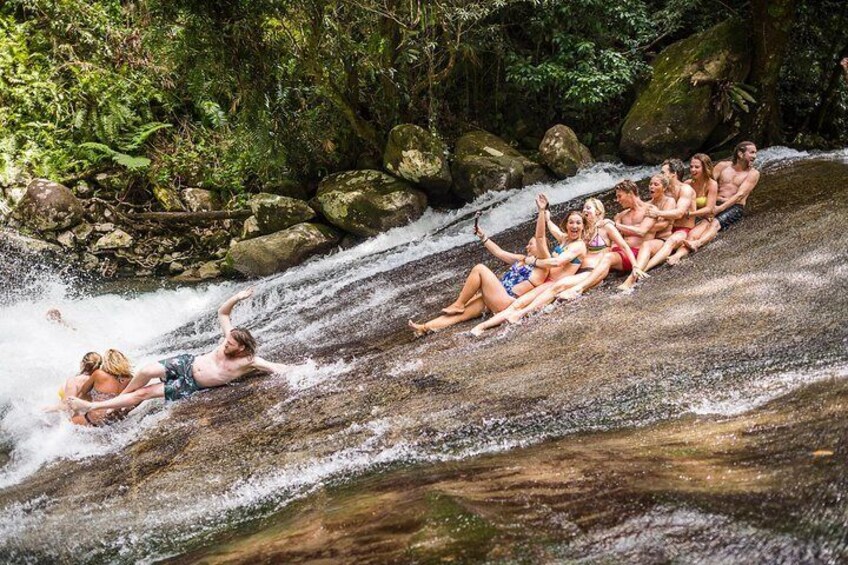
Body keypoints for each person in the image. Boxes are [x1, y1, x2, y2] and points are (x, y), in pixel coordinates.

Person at [67, 288, 291, 415]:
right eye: (226, 340)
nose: (225, 343)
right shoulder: (229, 337)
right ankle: (122, 399)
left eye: (230, 344)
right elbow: (223, 314)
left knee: (144, 394)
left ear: (241, 347)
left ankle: (95, 406)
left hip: (189, 385)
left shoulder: (249, 361)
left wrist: (303, 370)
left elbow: (276, 368)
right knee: (146, 371)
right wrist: (238, 297)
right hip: (186, 363)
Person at [408, 206, 551, 337]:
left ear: (541, 246)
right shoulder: (523, 259)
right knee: (462, 314)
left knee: (480, 269)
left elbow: (540, 237)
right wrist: (483, 236)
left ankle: (459, 303)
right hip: (493, 296)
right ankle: (424, 328)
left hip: (506, 301)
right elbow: (499, 252)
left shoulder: (543, 267)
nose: (527, 246)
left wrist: (541, 211)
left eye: (530, 244)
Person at [557, 180, 649, 300]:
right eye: (583, 208)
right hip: (590, 266)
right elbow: (561, 236)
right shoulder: (584, 229)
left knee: (608, 256)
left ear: (598, 212)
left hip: (609, 260)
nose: (584, 210)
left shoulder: (606, 226)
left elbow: (624, 245)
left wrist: (635, 266)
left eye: (588, 208)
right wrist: (545, 217)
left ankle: (578, 289)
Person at [684, 141, 760, 250]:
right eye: (751, 153)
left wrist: (719, 208)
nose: (754, 156)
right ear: (740, 154)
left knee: (715, 223)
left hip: (734, 206)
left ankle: (697, 244)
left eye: (755, 153)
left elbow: (740, 194)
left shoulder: (753, 174)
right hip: (715, 202)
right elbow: (707, 183)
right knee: (702, 222)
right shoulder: (722, 166)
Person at [617, 173, 678, 291]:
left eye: (656, 184)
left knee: (646, 244)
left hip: (663, 239)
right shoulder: (648, 204)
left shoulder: (669, 201)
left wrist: (641, 227)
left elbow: (664, 225)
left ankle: (633, 278)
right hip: (650, 237)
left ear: (664, 188)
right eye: (650, 184)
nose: (651, 187)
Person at [74, 349, 134, 426]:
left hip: (93, 419)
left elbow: (83, 391)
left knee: (69, 421)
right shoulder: (130, 379)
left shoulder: (99, 374)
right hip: (115, 422)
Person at [42, 352, 101, 418]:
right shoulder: (100, 382)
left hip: (74, 420)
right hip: (89, 417)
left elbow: (67, 407)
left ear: (82, 363)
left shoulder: (74, 381)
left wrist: (47, 409)